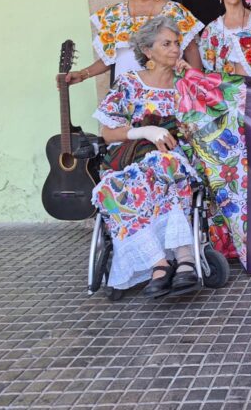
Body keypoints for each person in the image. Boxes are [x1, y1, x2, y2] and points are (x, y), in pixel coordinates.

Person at [91, 16, 202, 297]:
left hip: (175, 159)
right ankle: (158, 262)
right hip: (132, 159)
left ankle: (185, 255)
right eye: (166, 43)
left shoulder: (185, 84)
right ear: (148, 51)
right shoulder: (129, 83)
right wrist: (145, 132)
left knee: (162, 163)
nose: (175, 48)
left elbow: (208, 122)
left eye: (176, 43)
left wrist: (192, 78)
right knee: (108, 189)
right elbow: (107, 132)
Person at [65, 0, 203, 84]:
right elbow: (110, 58)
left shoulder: (175, 11)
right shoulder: (113, 14)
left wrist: (196, 86)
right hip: (127, 93)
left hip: (168, 92)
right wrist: (83, 74)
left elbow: (191, 51)